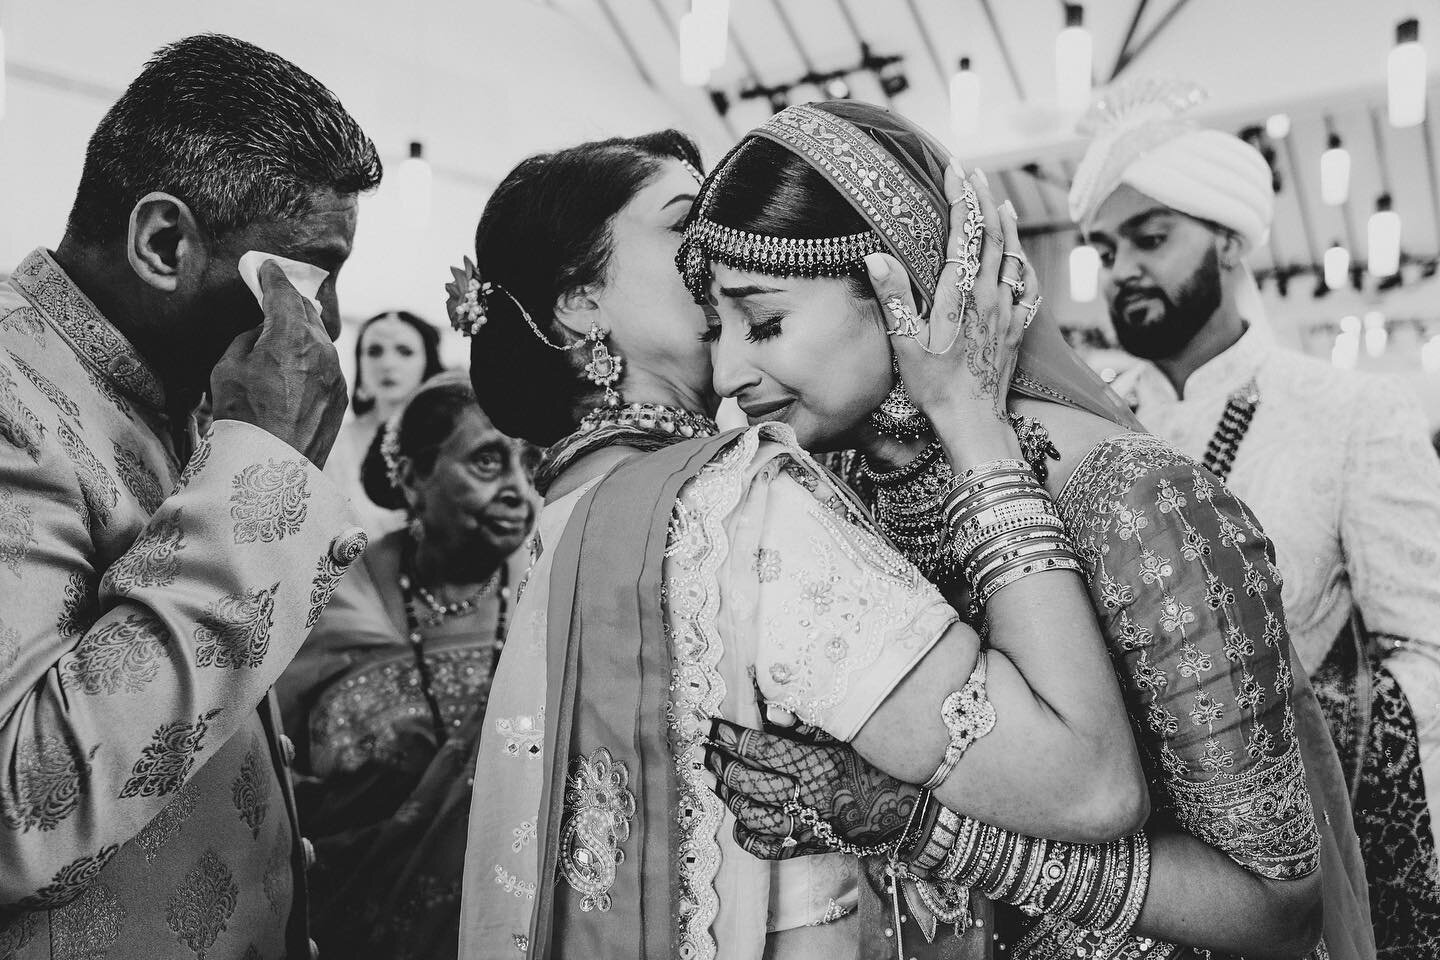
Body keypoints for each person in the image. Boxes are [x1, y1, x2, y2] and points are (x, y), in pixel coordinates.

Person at [689, 100, 1370, 959]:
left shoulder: (1137, 508)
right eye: (717, 329)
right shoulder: (842, 490)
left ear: (906, 286)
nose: (726, 372)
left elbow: (1276, 909)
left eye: (765, 321)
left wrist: (915, 824)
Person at [455, 128, 1148, 959]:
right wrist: (975, 426)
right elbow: (1085, 782)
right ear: (581, 302)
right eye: (684, 222)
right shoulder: (737, 506)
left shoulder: (569, 513)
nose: (719, 234)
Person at [0, 33, 379, 960]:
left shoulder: (186, 394)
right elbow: (18, 808)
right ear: (165, 242)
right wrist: (262, 473)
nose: (321, 328)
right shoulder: (12, 399)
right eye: (307, 278)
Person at [1079, 82, 1440, 953]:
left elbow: (1428, 648)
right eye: (1103, 247)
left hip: (1300, 873)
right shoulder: (1086, 425)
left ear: (1232, 243)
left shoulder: (1351, 413)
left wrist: (1302, 755)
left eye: (1151, 237)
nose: (1122, 266)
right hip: (1123, 874)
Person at [277, 371, 536, 958]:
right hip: (346, 912)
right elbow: (279, 769)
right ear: (415, 477)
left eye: (531, 460)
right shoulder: (331, 599)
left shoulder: (552, 597)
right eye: (490, 462)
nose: (520, 489)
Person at [325, 309, 445, 537]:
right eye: (374, 351)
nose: (388, 364)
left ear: (427, 363)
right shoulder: (333, 445)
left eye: (405, 351)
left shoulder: (449, 441)